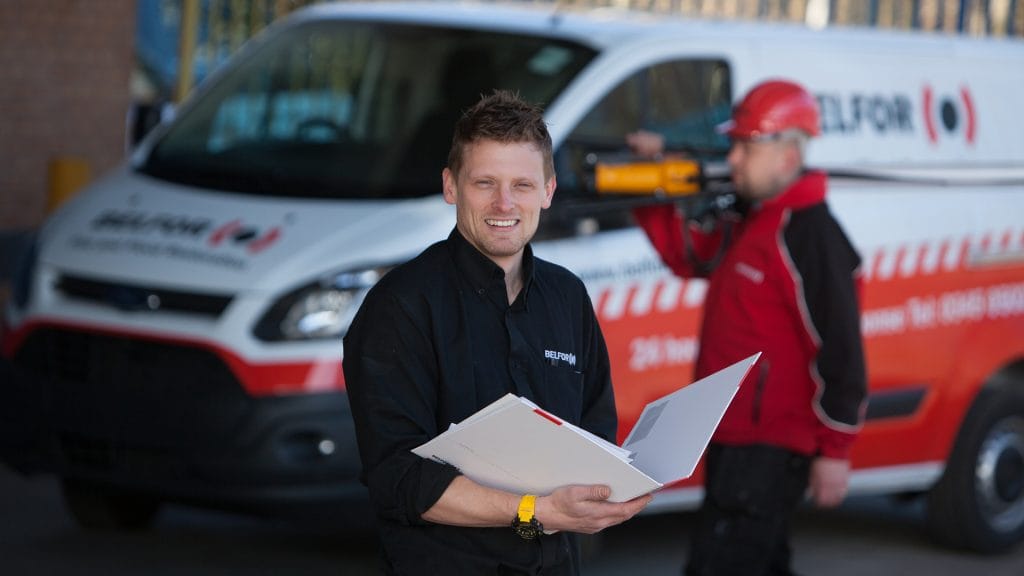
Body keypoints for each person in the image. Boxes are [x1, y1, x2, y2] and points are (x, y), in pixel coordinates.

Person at [343, 90, 651, 575]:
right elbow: (397, 479)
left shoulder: (568, 298)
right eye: (484, 182)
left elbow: (595, 438)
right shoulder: (400, 306)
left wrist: (614, 489)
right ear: (451, 186)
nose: (504, 203)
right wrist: (535, 512)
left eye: (522, 185)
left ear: (548, 191)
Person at [628, 79, 867, 576]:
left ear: (785, 155)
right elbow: (689, 255)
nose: (733, 159)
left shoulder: (810, 234)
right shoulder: (751, 218)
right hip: (729, 435)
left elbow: (841, 349)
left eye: (744, 146)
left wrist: (836, 451)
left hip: (770, 448)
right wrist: (651, 181)